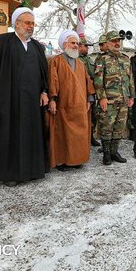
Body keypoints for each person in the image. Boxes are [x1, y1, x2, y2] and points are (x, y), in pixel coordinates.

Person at [0, 7, 50, 186]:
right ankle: (10, 175)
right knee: (10, 136)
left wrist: (44, 91)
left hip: (32, 102)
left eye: (33, 23)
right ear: (16, 24)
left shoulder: (37, 47)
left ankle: (31, 171)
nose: (31, 26)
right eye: (27, 23)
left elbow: (43, 73)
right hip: (8, 102)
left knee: (31, 135)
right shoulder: (2, 42)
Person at [47, 31, 95, 170]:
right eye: (73, 43)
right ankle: (62, 161)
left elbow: (88, 83)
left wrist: (89, 99)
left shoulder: (80, 63)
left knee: (78, 136)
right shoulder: (56, 61)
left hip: (80, 107)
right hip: (63, 106)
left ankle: (77, 160)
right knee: (63, 135)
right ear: (64, 44)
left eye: (77, 44)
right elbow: (52, 82)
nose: (75, 46)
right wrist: (53, 99)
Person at [93, 30, 135, 165]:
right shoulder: (102, 59)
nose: (117, 43)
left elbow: (130, 79)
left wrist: (131, 96)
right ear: (108, 43)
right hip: (109, 101)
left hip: (123, 99)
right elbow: (98, 81)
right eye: (114, 41)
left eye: (119, 41)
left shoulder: (125, 59)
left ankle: (114, 152)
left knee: (119, 127)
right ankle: (106, 154)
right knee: (107, 127)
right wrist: (101, 98)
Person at [78, 37, 101, 146]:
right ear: (79, 46)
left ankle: (91, 136)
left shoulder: (89, 59)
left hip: (91, 91)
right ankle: (83, 138)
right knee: (82, 117)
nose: (87, 48)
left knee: (93, 115)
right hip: (81, 92)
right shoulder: (76, 60)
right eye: (86, 46)